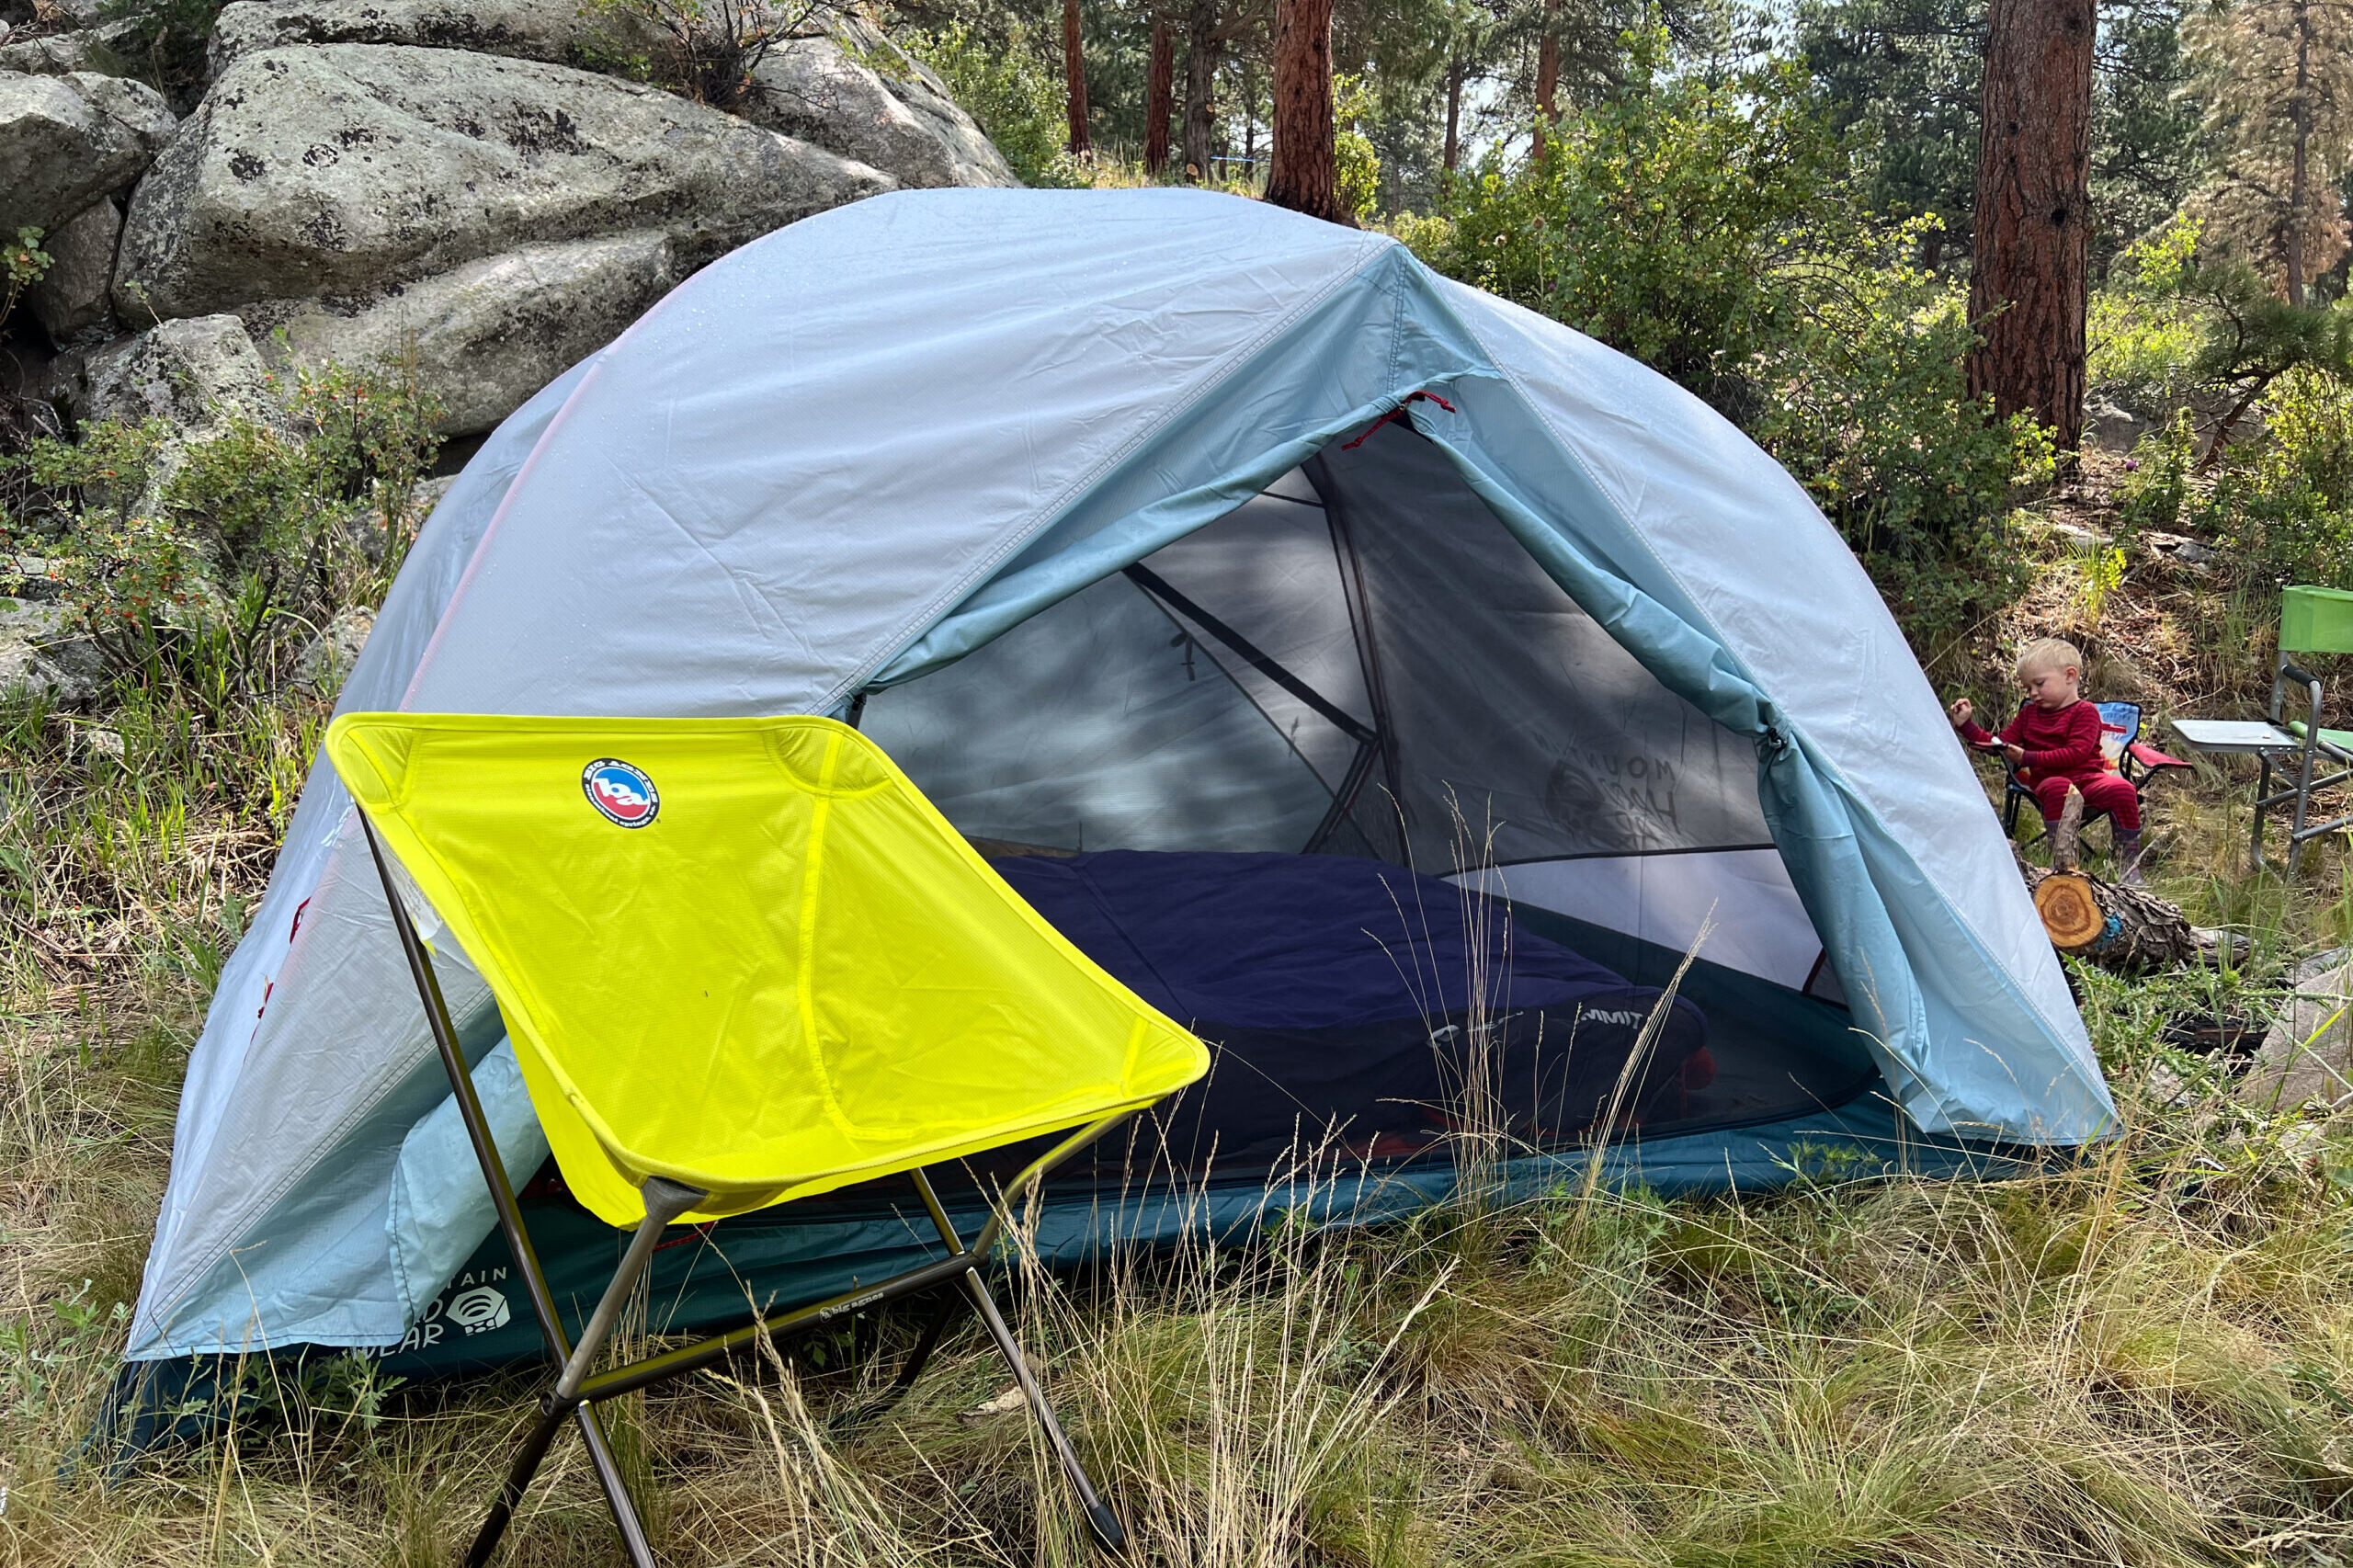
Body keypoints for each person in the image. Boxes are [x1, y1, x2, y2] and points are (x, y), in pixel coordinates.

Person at [1949, 638, 2144, 886]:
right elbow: (1998, 744)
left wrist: (2026, 757)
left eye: (2039, 684)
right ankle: (2061, 862)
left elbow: (2076, 753)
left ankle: (2127, 864)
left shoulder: (2085, 712)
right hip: (2049, 783)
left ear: (2069, 676)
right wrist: (1966, 725)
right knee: (2057, 787)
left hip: (2088, 780)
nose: (2032, 693)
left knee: (2123, 789)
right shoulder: (2029, 714)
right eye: (2028, 688)